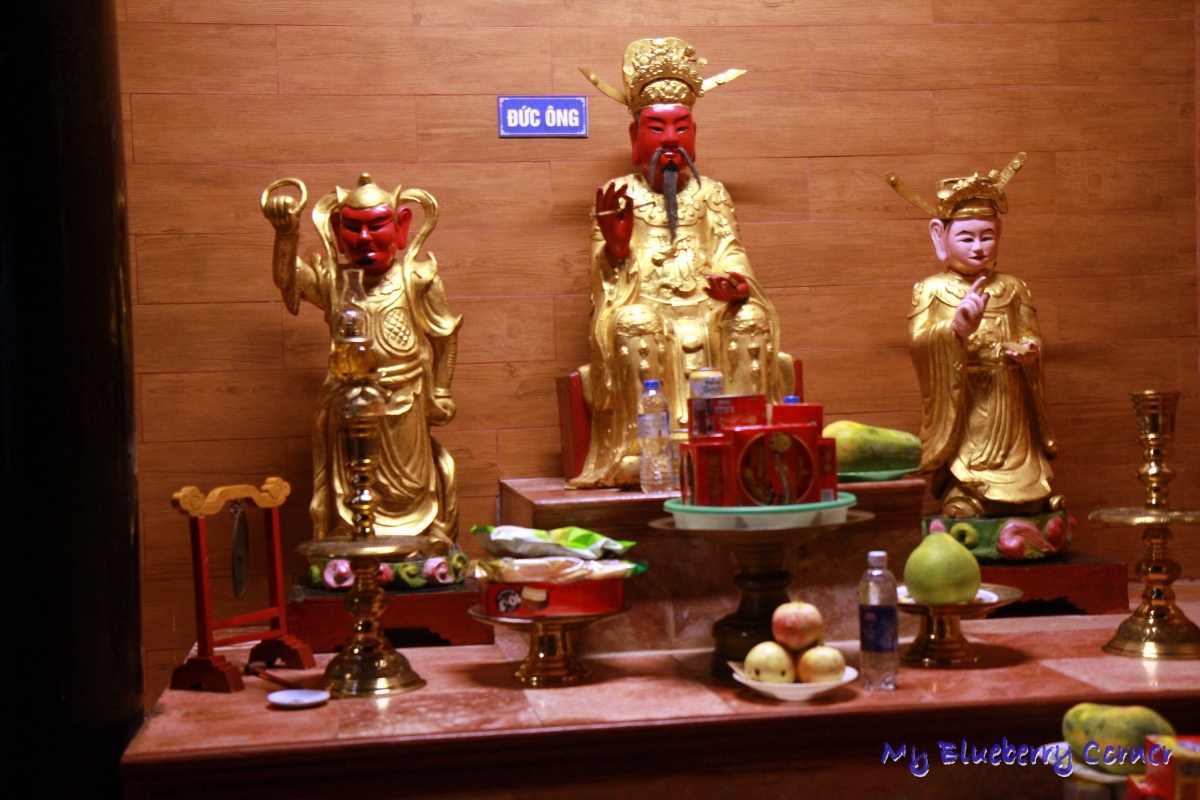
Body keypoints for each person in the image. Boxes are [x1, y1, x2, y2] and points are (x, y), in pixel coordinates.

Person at [572, 37, 795, 488]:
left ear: (695, 135)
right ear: (635, 137)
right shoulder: (618, 195)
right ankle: (647, 446)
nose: (671, 140)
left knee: (749, 317)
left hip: (709, 306)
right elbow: (604, 285)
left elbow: (730, 248)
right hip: (647, 307)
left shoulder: (711, 193)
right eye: (656, 129)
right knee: (634, 322)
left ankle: (745, 439)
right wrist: (616, 248)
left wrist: (737, 283)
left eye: (682, 128)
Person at [262, 173, 461, 552]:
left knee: (411, 489)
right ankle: (353, 548)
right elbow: (290, 282)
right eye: (353, 228)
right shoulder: (336, 281)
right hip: (350, 405)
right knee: (352, 487)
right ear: (338, 232)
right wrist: (286, 234)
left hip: (405, 401)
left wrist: (441, 390)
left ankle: (417, 545)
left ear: (401, 227)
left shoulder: (418, 279)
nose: (365, 238)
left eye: (376, 225)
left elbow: (445, 336)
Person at [890, 154, 1061, 518]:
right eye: (966, 237)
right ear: (940, 237)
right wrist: (956, 329)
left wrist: (1029, 351)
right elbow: (918, 344)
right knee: (967, 487)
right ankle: (966, 494)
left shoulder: (1013, 288)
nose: (978, 247)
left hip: (1009, 400)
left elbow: (1032, 336)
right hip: (966, 403)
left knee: (1030, 490)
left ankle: (1029, 497)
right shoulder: (931, 290)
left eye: (988, 236)